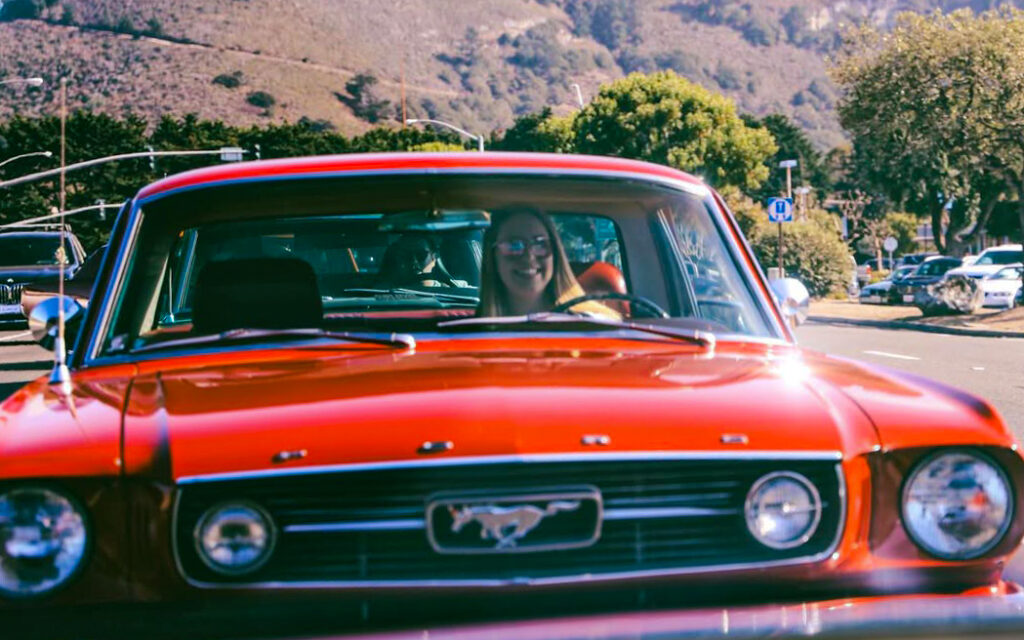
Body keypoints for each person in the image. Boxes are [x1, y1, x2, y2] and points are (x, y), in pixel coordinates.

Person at [478, 206, 620, 319]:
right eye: (513, 245)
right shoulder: (468, 335)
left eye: (540, 244)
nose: (529, 257)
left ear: (556, 253)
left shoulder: (596, 326)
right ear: (492, 256)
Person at [378, 234, 466, 288]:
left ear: (434, 257)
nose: (414, 262)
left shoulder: (458, 290)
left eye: (421, 255)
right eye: (406, 256)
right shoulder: (384, 295)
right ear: (399, 259)